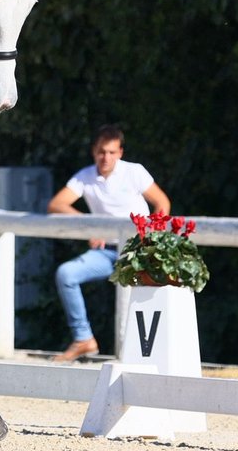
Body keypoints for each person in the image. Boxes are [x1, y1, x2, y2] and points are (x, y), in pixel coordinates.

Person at [47, 124, 170, 361]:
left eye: (112, 152)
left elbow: (162, 203)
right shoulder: (85, 176)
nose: (106, 157)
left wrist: (149, 238)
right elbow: (56, 205)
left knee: (152, 294)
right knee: (66, 274)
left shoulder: (134, 172)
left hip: (138, 251)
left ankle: (152, 354)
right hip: (106, 253)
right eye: (102, 152)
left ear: (120, 153)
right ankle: (84, 338)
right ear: (94, 151)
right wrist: (92, 226)